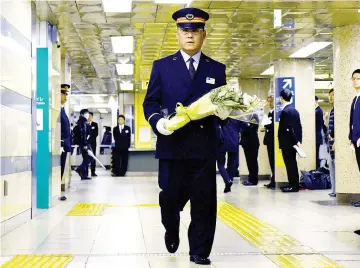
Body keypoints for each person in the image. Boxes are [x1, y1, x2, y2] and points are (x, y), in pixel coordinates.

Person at [142, 7, 230, 265]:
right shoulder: (162, 67)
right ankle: (171, 226)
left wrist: (225, 112)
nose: (189, 35)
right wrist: (158, 123)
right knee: (169, 198)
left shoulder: (216, 68)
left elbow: (221, 104)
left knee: (204, 202)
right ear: (177, 34)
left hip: (203, 147)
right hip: (172, 146)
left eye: (195, 31)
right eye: (184, 30)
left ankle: (199, 251)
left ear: (204, 34)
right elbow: (151, 103)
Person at [278, 89, 302, 193]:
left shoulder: (285, 111)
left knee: (289, 164)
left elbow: (286, 128)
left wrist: (294, 139)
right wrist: (298, 140)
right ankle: (293, 184)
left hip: (287, 142)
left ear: (281, 98)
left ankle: (293, 185)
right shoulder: (295, 110)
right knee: (293, 163)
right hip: (293, 142)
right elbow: (299, 127)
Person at [216, 118, 242, 193]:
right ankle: (229, 181)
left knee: (220, 164)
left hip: (221, 141)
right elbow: (245, 126)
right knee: (232, 164)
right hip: (234, 141)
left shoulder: (220, 114)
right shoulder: (237, 115)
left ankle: (227, 180)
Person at [349, 69, 360, 207]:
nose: (355, 80)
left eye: (358, 78)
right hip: (355, 140)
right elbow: (352, 121)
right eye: (353, 78)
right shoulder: (355, 99)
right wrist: (350, 137)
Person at [60, 84, 71, 201]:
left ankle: (57, 191)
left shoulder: (62, 109)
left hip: (64, 146)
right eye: (63, 93)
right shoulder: (57, 110)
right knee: (59, 168)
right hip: (61, 145)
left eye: (66, 94)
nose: (66, 96)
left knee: (62, 168)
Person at [241, 122, 260, 186]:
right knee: (249, 162)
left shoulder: (253, 117)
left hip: (252, 143)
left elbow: (249, 129)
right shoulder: (246, 119)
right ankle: (250, 178)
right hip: (247, 143)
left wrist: (244, 127)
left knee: (252, 162)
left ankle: (253, 180)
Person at [75, 109, 92, 180]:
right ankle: (79, 169)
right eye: (86, 113)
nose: (87, 115)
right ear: (82, 114)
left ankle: (83, 175)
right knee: (90, 157)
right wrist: (85, 144)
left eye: (88, 113)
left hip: (83, 142)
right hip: (84, 143)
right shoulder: (82, 121)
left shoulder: (83, 121)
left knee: (86, 158)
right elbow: (83, 133)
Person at [263, 95, 275, 189]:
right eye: (268, 101)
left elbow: (271, 125)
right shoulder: (269, 113)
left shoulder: (275, 113)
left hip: (273, 141)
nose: (269, 103)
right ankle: (273, 179)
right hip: (269, 140)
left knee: (273, 161)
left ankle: (274, 179)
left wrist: (266, 125)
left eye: (271, 101)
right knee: (271, 161)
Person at [327, 88, 336, 197]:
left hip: (334, 144)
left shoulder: (337, 111)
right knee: (332, 167)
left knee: (335, 167)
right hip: (330, 144)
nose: (331, 97)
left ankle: (336, 190)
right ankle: (334, 190)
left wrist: (336, 141)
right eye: (330, 95)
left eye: (333, 94)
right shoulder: (332, 110)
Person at [88, 112, 99, 177]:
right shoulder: (84, 124)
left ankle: (93, 172)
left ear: (92, 117)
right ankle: (85, 172)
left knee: (93, 157)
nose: (89, 117)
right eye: (88, 116)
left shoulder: (95, 124)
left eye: (90, 116)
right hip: (85, 144)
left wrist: (89, 134)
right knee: (86, 158)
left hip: (92, 144)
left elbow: (96, 134)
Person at [315, 96, 324, 168]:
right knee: (315, 154)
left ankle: (317, 170)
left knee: (316, 155)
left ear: (316, 101)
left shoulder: (318, 111)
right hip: (316, 136)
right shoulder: (317, 110)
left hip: (316, 136)